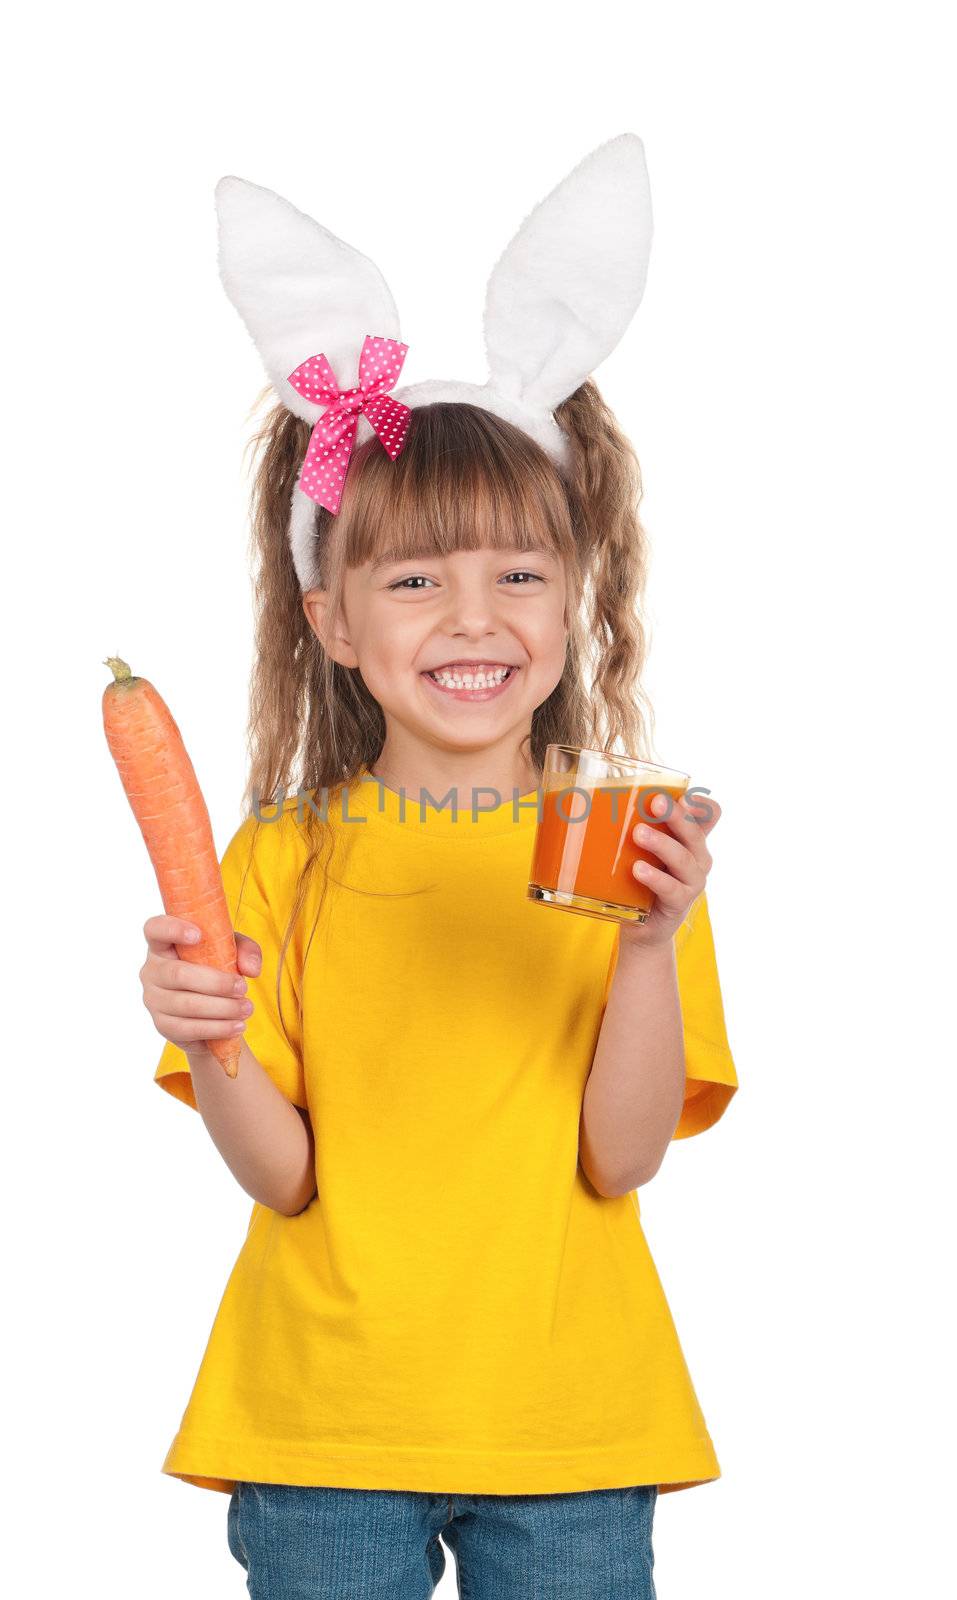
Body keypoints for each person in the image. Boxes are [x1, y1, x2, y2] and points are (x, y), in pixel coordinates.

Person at [143, 134, 739, 1599]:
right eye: (414, 579)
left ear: (571, 598)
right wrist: (213, 1041)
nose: (473, 620)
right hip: (327, 1422)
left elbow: (622, 1158)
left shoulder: (632, 846)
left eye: (517, 575)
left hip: (571, 1421)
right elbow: (284, 1180)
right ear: (334, 619)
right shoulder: (277, 857)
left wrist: (650, 947)